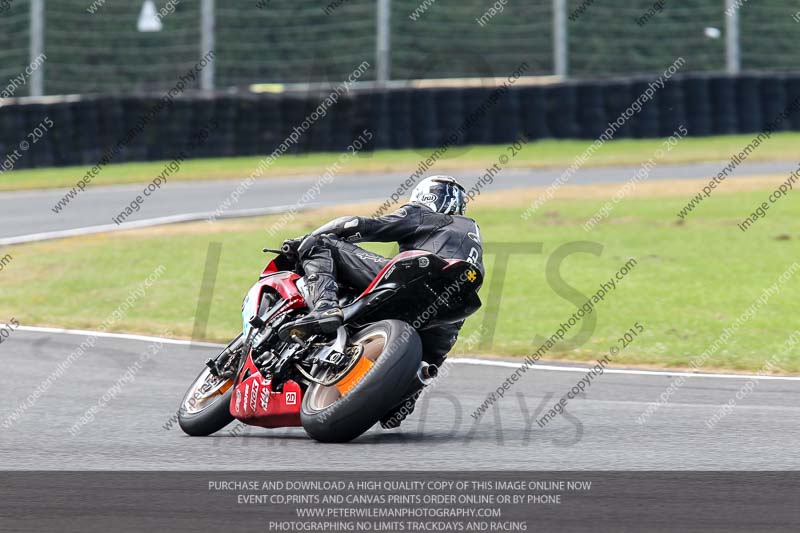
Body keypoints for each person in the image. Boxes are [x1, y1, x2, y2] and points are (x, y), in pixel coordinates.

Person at [281, 175, 484, 428]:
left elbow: (363, 225)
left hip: (416, 276)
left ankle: (324, 307)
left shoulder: (425, 215)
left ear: (426, 197)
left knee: (321, 244)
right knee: (414, 383)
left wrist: (305, 240)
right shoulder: (471, 236)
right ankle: (403, 400)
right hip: (451, 314)